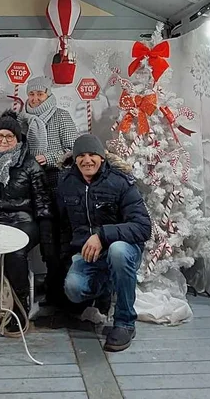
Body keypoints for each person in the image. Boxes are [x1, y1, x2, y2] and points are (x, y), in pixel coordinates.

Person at [58, 134, 152, 352]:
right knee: (73, 289)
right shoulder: (66, 183)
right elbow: (62, 227)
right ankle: (105, 288)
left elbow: (143, 227)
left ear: (101, 157)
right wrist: (63, 261)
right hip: (87, 254)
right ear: (75, 159)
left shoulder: (120, 182)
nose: (87, 160)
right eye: (81, 155)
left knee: (118, 252)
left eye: (92, 155)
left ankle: (125, 322)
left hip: (121, 249)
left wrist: (102, 235)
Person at [0, 111, 55, 315]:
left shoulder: (30, 165)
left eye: (9, 136)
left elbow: (43, 204)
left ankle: (19, 307)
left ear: (17, 139)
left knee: (14, 252)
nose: (4, 140)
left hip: (22, 221)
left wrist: (47, 242)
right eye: (0, 136)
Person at [22, 76, 78, 305]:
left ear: (48, 94)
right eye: (31, 94)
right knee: (43, 238)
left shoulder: (61, 116)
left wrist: (50, 158)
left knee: (58, 237)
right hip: (30, 186)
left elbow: (74, 149)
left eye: (39, 94)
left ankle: (60, 286)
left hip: (56, 184)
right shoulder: (22, 119)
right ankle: (50, 282)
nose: (35, 99)